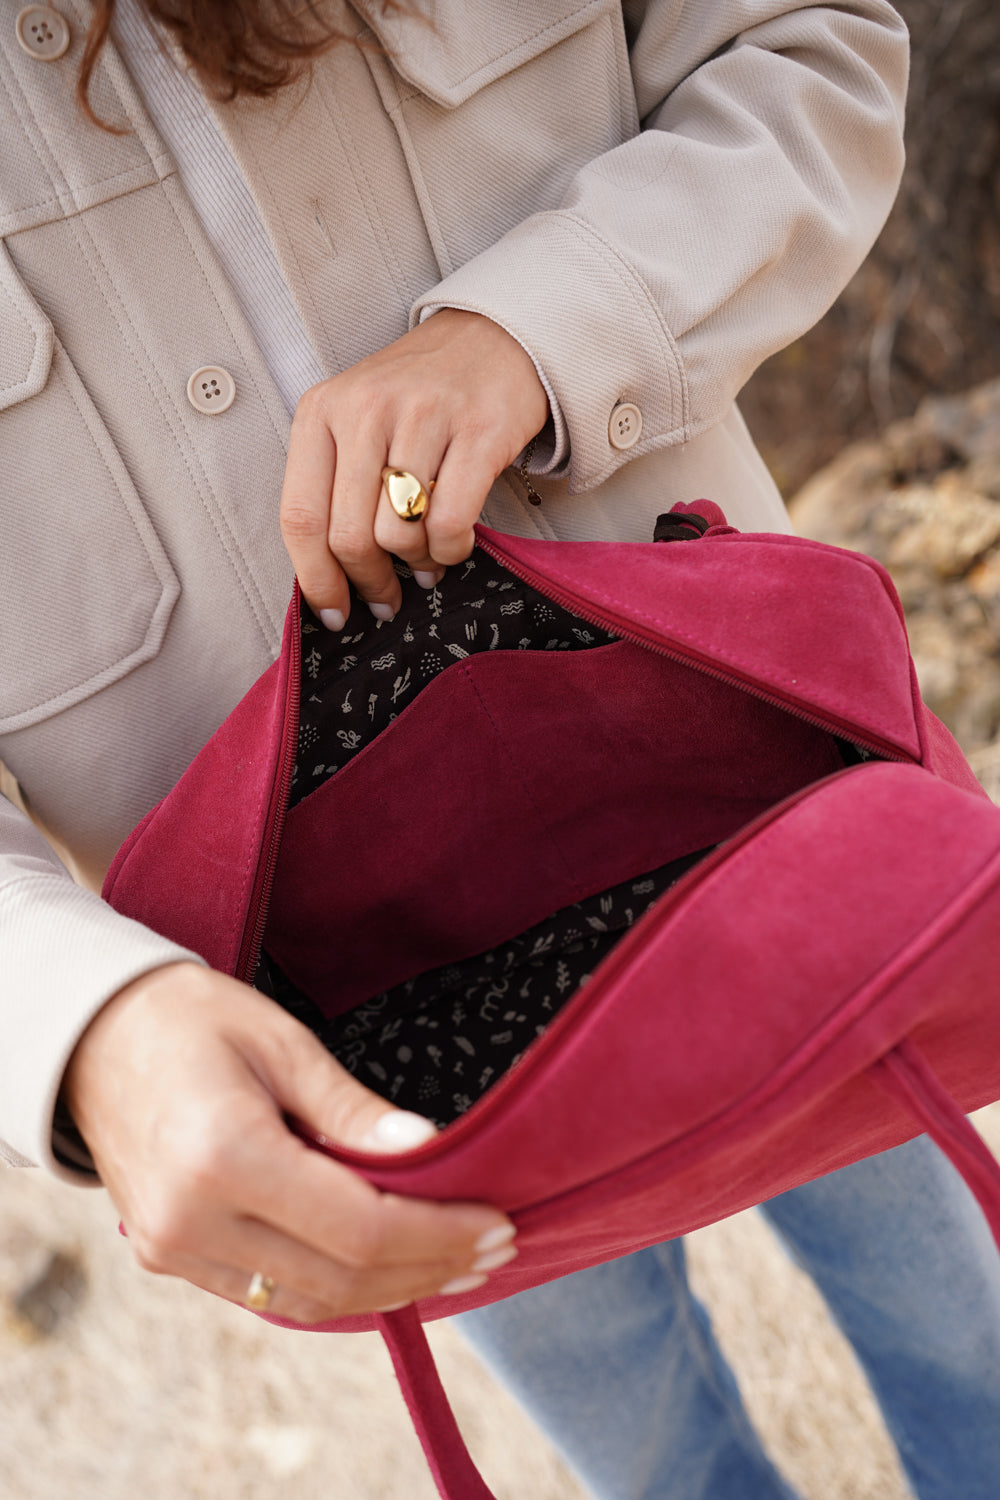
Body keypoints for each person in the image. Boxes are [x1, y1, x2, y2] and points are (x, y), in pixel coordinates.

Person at [2, 0, 998, 1494]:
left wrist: (538, 331)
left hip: (747, 812)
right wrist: (80, 1022)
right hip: (347, 1008)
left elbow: (813, 46)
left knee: (956, 1327)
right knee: (648, 1450)